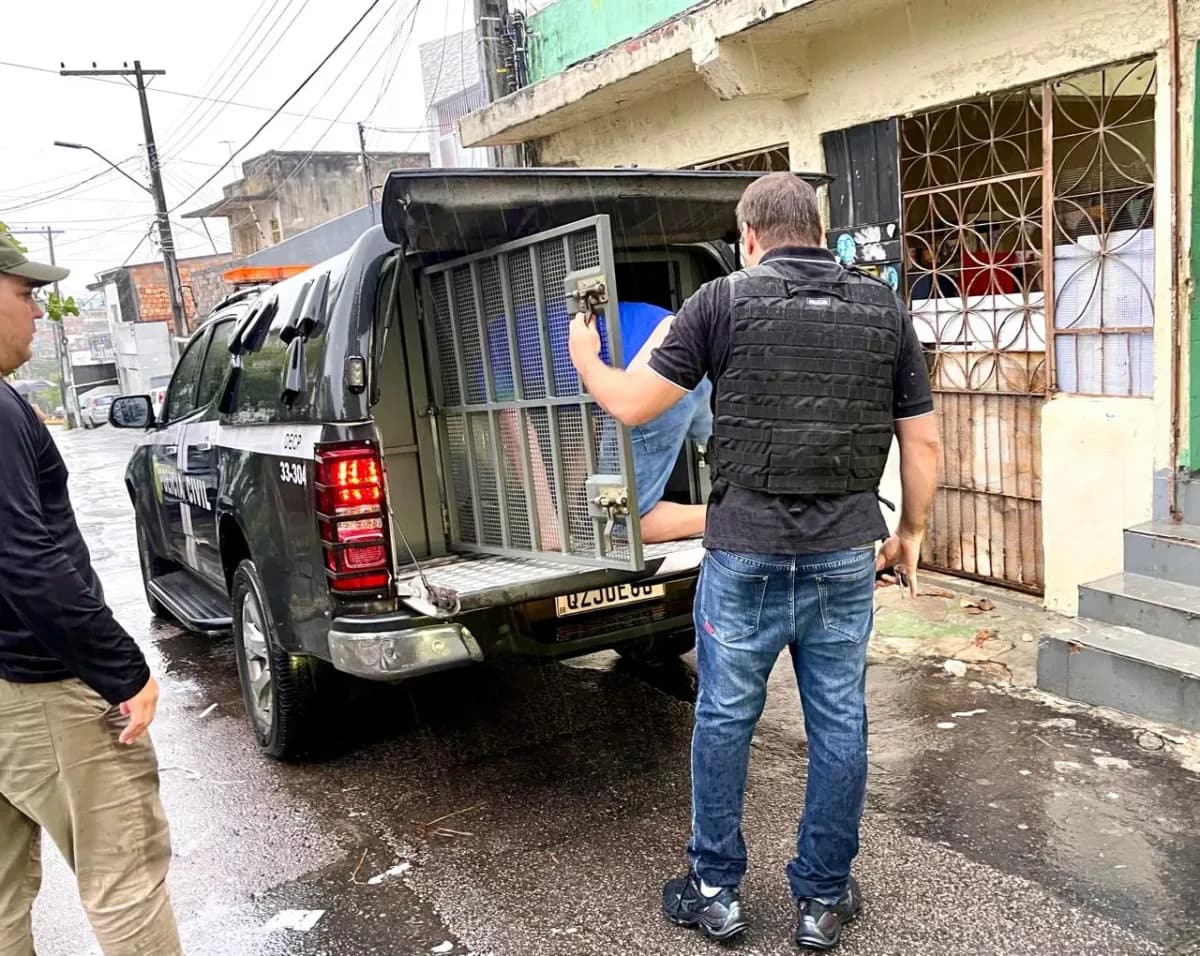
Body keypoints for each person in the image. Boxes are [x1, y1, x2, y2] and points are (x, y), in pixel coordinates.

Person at [567, 173, 940, 950]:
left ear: (750, 234)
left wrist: (585, 358)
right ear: (817, 228)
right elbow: (924, 441)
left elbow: (632, 404)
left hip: (745, 557)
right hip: (845, 551)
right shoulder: (883, 308)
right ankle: (823, 901)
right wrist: (910, 535)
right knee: (839, 722)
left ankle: (714, 892)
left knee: (725, 719)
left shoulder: (720, 302)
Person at [0, 234, 183, 956]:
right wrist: (122, 669)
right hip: (41, 687)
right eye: (25, 294)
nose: (38, 314)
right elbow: (24, 560)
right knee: (125, 876)